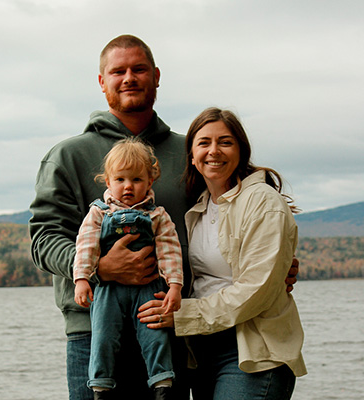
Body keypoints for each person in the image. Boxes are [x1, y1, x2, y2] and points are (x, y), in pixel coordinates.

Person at [29, 34, 299, 400]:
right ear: (101, 82)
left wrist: (275, 263)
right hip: (92, 330)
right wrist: (99, 268)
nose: (129, 78)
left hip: (169, 329)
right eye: (118, 71)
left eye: (139, 69)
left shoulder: (187, 151)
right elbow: (44, 239)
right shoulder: (67, 155)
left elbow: (226, 218)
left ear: (156, 76)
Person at [138, 107, 307, 400]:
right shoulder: (199, 209)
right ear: (191, 156)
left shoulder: (263, 202)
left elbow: (257, 290)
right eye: (204, 143)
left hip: (252, 351)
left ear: (241, 150)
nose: (214, 151)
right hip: (202, 350)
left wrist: (182, 316)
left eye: (225, 142)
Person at [73, 138, 183, 399]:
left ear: (149, 182)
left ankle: (162, 381)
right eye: (120, 179)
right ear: (108, 181)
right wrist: (82, 278)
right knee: (103, 334)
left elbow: (170, 251)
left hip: (149, 288)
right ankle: (100, 386)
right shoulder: (99, 213)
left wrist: (175, 285)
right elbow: (86, 245)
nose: (128, 187)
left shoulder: (157, 216)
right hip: (109, 290)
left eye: (136, 180)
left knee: (155, 334)